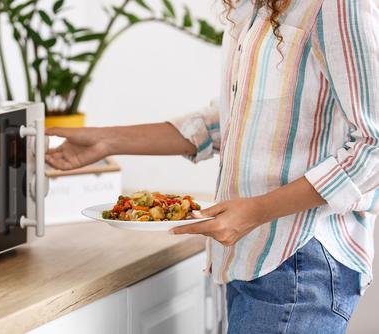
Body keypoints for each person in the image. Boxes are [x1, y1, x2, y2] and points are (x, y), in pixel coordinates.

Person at [45, 0, 378, 333]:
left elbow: (373, 145)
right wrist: (107, 142)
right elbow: (237, 121)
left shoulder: (339, 5)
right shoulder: (256, 7)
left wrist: (256, 212)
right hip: (254, 258)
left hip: (297, 263)